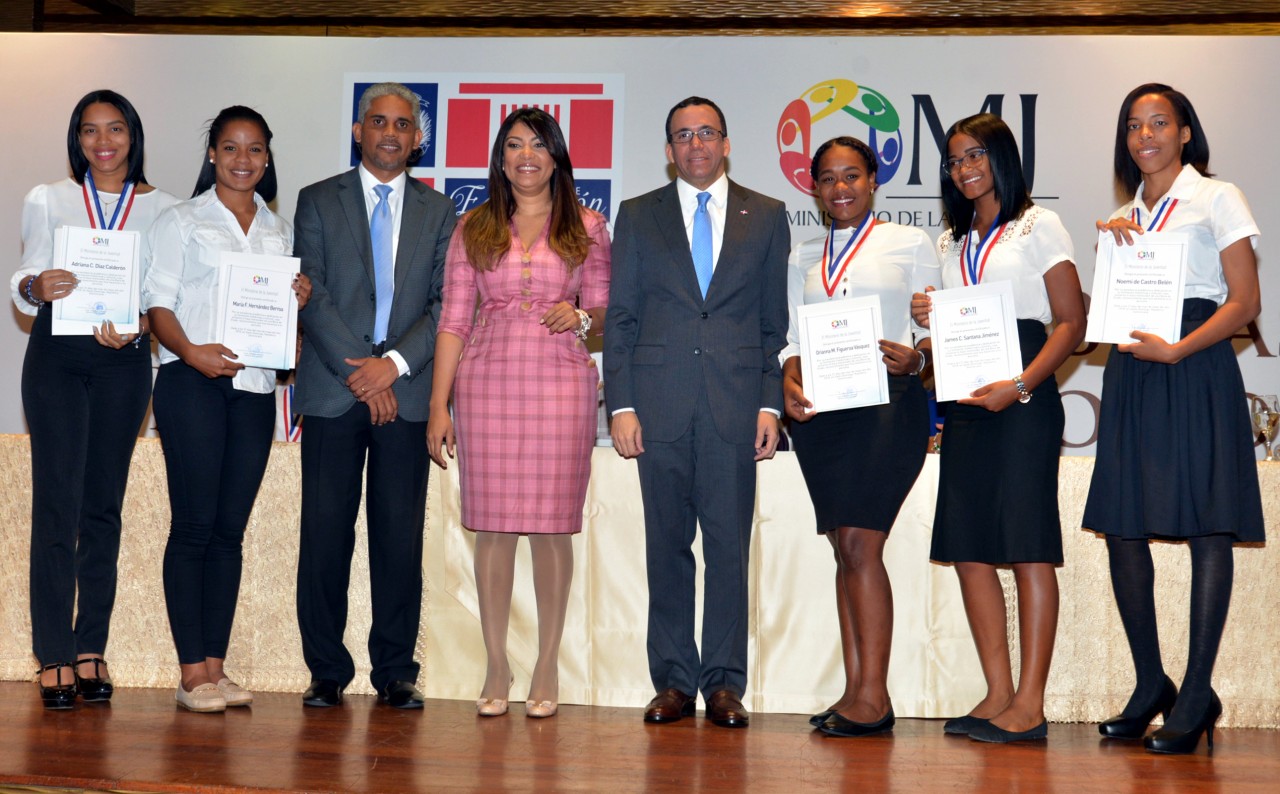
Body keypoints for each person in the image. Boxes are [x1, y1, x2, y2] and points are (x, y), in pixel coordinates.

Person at [1083, 84, 1264, 755]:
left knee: (1206, 525)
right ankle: (1150, 682)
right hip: (1134, 368)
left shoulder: (1217, 197)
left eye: (1159, 122)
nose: (1144, 136)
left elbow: (1246, 300)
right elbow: (1106, 313)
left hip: (1194, 359)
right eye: (1133, 125)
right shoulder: (1121, 215)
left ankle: (1196, 694)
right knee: (1124, 526)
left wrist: (1180, 348)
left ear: (1186, 132)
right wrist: (1112, 250)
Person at [604, 96, 790, 729]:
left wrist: (771, 401)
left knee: (729, 548)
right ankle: (675, 681)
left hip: (737, 406)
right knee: (667, 548)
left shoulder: (765, 215)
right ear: (668, 151)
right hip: (656, 406)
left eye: (707, 133)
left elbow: (772, 324)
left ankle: (724, 683)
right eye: (683, 136)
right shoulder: (636, 215)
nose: (696, 145)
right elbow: (622, 318)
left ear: (727, 142)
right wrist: (621, 402)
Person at [427, 108, 610, 719]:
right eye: (513, 146)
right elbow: (453, 320)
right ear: (500, 160)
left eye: (536, 145)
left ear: (556, 156)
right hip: (486, 385)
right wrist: (438, 406)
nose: (525, 155)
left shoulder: (587, 226)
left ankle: (548, 661)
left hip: (562, 386)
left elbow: (610, 313)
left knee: (553, 527)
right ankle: (497, 662)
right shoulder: (473, 227)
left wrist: (582, 316)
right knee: (495, 527)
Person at [910, 113, 1086, 743]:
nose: (965, 169)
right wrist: (924, 320)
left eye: (976, 155)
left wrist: (1020, 386)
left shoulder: (1040, 226)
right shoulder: (950, 242)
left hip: (1025, 395)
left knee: (1027, 545)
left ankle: (1031, 705)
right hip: (964, 399)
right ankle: (998, 693)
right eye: (955, 161)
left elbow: (1071, 323)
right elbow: (947, 333)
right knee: (970, 549)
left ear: (1003, 157)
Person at [293, 82, 456, 709]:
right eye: (379, 121)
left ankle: (395, 669)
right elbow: (313, 290)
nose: (391, 133)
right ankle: (326, 670)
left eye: (404, 124)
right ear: (359, 131)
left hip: (407, 391)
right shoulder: (316, 199)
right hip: (335, 391)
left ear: (418, 139)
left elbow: (446, 303)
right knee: (326, 532)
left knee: (398, 536)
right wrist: (362, 373)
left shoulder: (440, 212)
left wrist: (389, 367)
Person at [15, 90, 178, 709]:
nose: (102, 142)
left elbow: (163, 291)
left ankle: (91, 647)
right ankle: (52, 652)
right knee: (57, 501)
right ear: (77, 139)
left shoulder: (163, 208)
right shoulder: (48, 199)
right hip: (57, 354)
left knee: (102, 506)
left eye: (115, 129)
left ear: (133, 136)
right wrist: (36, 284)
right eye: (90, 131)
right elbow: (25, 279)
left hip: (125, 358)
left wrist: (140, 323)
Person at [144, 106, 310, 713]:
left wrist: (299, 300)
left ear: (268, 158)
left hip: (254, 389)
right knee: (192, 527)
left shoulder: (280, 229)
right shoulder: (180, 219)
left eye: (255, 150)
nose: (244, 160)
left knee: (228, 533)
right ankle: (192, 674)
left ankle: (216, 665)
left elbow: (278, 317)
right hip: (191, 383)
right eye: (231, 148)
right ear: (212, 153)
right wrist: (190, 351)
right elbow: (157, 304)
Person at [780, 137, 939, 737]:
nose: (840, 188)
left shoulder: (910, 242)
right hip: (823, 415)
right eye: (827, 178)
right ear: (814, 187)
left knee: (862, 547)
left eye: (852, 175)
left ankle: (874, 695)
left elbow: (936, 323)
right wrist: (788, 378)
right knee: (844, 548)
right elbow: (790, 340)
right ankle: (855, 691)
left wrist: (918, 360)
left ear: (873, 179)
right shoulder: (801, 256)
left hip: (887, 409)